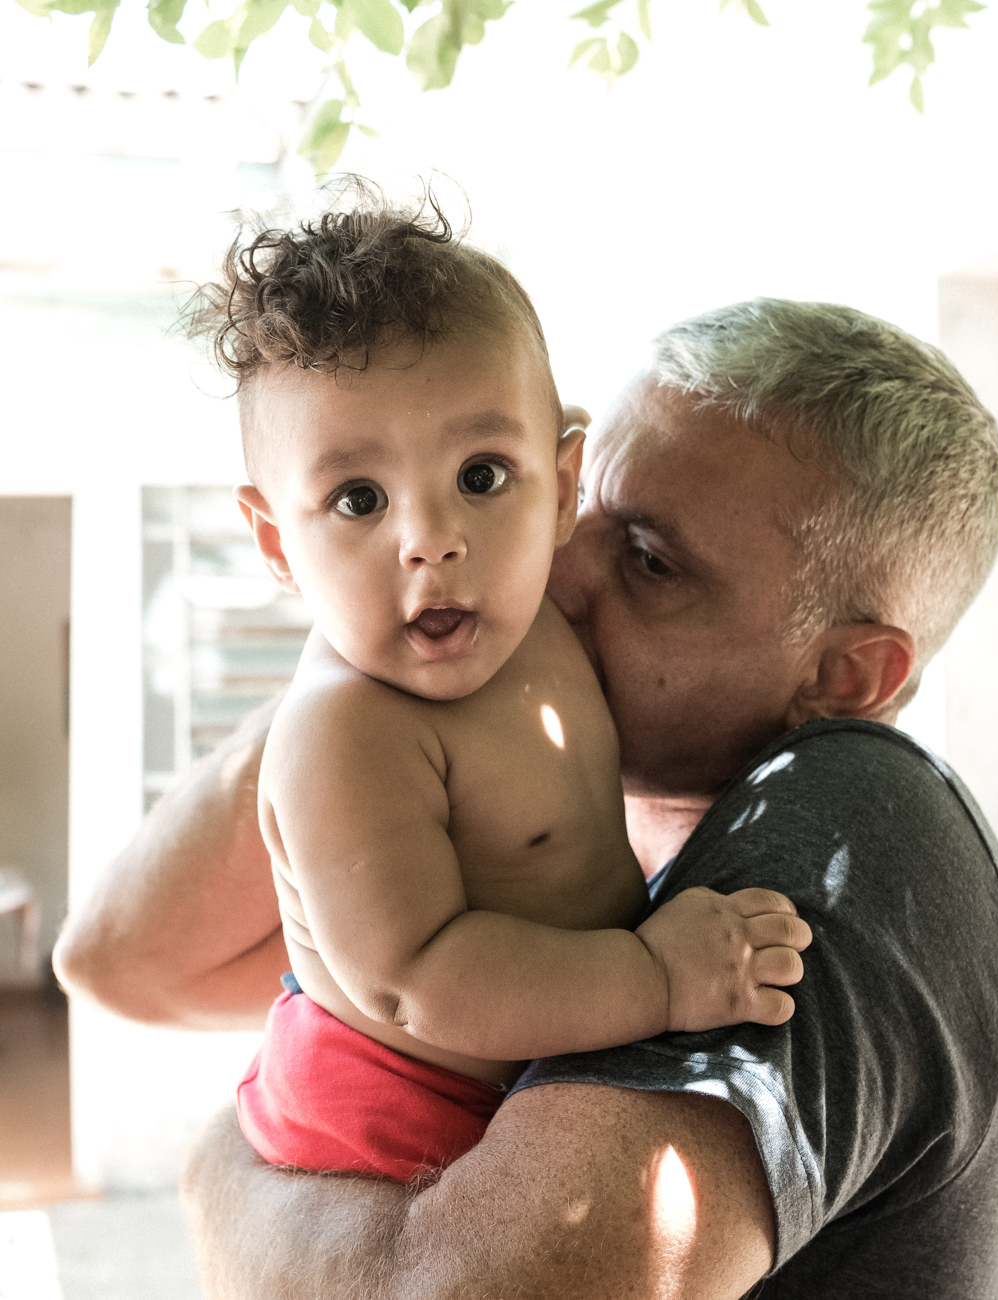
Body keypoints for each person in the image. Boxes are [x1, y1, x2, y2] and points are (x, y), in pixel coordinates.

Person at [54, 295, 998, 1299]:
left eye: (649, 562)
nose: (551, 572)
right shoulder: (545, 827)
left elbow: (455, 1292)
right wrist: (388, 622)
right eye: (567, 512)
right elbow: (124, 960)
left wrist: (222, 1173)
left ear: (845, 678)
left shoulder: (849, 818)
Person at [197, 197, 810, 1181]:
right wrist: (655, 977)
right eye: (358, 499)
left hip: (527, 1069)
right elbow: (416, 982)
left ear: (564, 487)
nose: (429, 539)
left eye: (482, 475)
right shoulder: (349, 731)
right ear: (277, 542)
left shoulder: (544, 620)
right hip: (393, 1116)